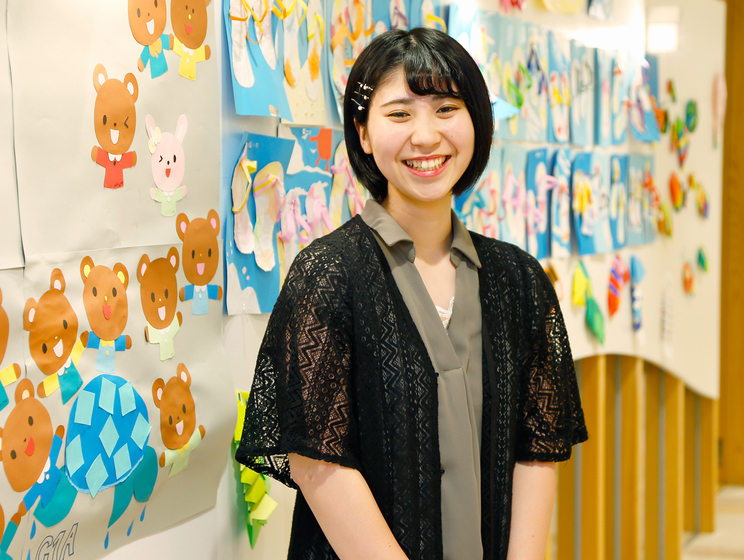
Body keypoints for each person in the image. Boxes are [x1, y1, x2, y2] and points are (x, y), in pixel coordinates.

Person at [236, 27, 587, 560]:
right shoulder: (328, 274)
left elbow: (537, 449)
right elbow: (316, 462)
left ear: (477, 121)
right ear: (363, 132)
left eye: (446, 109)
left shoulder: (520, 280)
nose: (425, 136)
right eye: (400, 114)